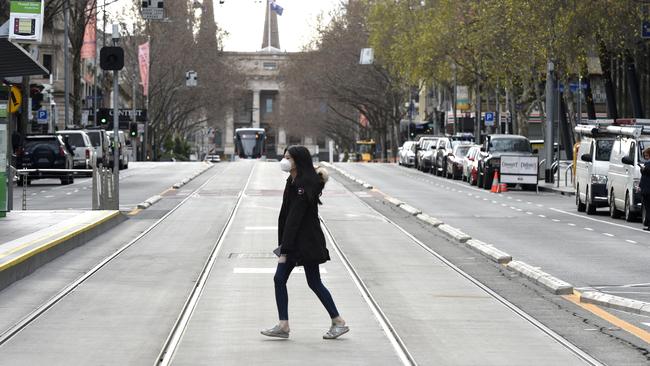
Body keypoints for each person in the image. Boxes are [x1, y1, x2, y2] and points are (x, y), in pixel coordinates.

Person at [261, 146, 349, 340]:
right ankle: (286, 324)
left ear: (298, 161)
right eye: (284, 157)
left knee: (287, 279)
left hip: (305, 243)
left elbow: (294, 219)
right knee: (310, 282)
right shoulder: (293, 180)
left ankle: (337, 321)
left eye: (288, 158)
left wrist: (284, 250)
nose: (284, 161)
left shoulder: (302, 184)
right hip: (298, 242)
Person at [640, 147, 650, 231]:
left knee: (648, 208)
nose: (646, 157)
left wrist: (644, 169)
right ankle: (647, 223)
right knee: (647, 207)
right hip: (645, 189)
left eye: (647, 155)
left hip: (648, 190)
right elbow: (643, 177)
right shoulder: (647, 164)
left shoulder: (648, 165)